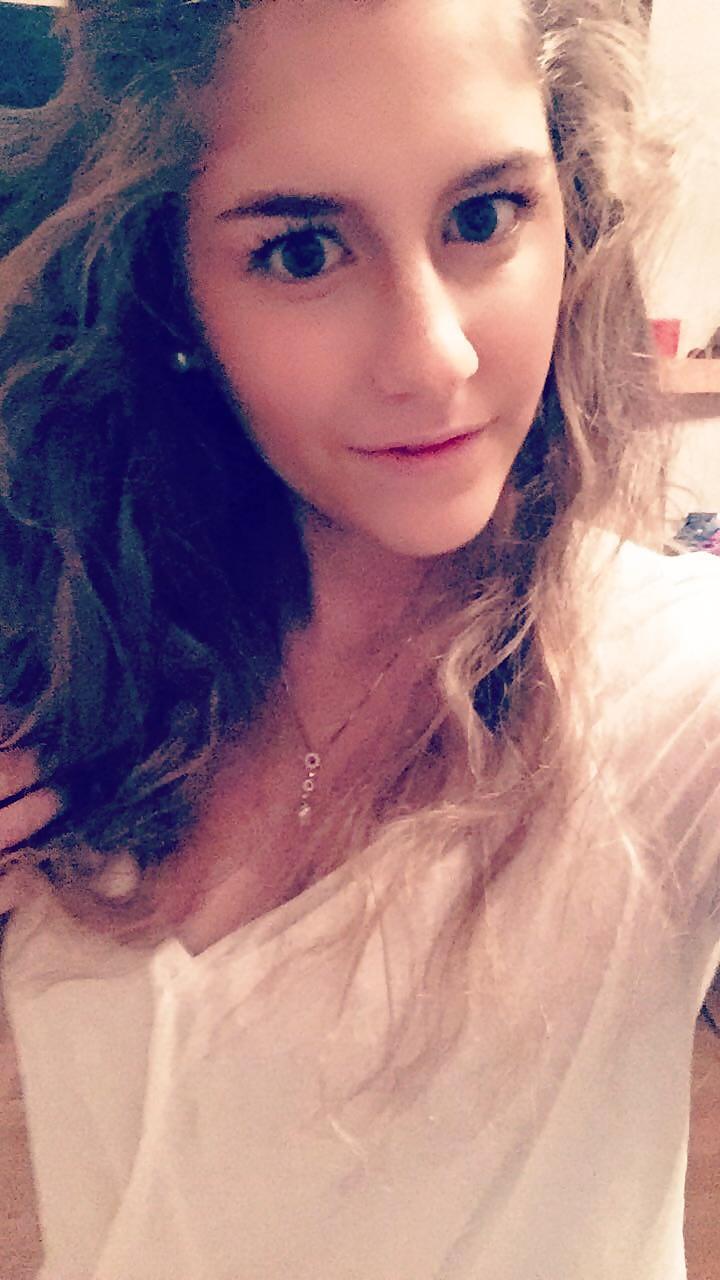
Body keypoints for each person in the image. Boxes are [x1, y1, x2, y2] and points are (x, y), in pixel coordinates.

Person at [0, 0, 718, 1276]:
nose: (432, 358)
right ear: (175, 290)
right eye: (304, 250)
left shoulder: (673, 692)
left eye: (483, 217)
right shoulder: (82, 636)